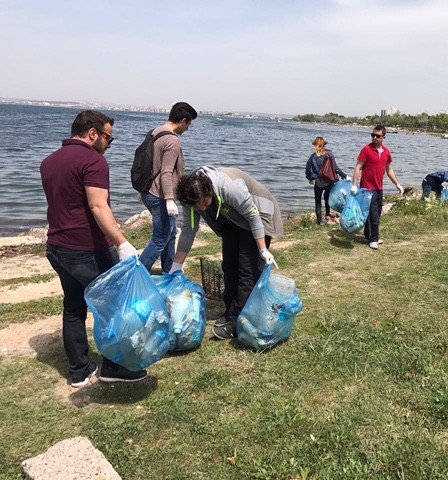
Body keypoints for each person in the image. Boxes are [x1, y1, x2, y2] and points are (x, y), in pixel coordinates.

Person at [40, 110, 145, 387]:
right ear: (93, 133)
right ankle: (115, 367)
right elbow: (98, 206)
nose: (110, 144)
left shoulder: (49, 162)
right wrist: (122, 243)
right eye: (109, 138)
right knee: (115, 306)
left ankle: (79, 371)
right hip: (87, 249)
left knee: (74, 307)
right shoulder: (93, 161)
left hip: (57, 248)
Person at [171, 166, 284, 340]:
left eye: (203, 202)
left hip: (259, 213)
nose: (200, 208)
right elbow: (188, 229)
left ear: (209, 191)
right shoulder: (191, 196)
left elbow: (253, 216)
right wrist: (177, 264)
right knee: (229, 266)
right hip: (232, 219)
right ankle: (231, 310)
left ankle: (238, 321)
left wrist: (262, 249)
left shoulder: (229, 187)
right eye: (196, 205)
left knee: (247, 270)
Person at [139, 102, 197, 273]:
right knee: (160, 238)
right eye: (189, 124)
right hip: (160, 195)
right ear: (183, 120)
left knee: (170, 234)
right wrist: (170, 200)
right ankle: (134, 276)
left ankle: (169, 271)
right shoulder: (172, 140)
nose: (187, 129)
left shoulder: (155, 132)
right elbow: (166, 172)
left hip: (148, 191)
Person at [351, 126, 403, 250]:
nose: (374, 137)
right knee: (373, 214)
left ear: (384, 138)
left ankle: (368, 235)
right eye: (373, 135)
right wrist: (354, 185)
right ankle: (373, 239)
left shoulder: (386, 152)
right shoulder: (366, 150)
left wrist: (397, 184)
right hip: (367, 189)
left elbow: (389, 169)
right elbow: (358, 167)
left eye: (378, 136)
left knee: (376, 213)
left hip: (379, 188)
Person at [305, 136, 349, 225]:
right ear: (324, 145)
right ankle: (327, 218)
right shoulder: (329, 155)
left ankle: (319, 221)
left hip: (318, 183)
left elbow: (307, 169)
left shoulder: (312, 157)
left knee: (318, 202)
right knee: (327, 200)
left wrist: (310, 178)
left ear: (315, 145)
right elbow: (336, 168)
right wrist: (345, 176)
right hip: (329, 181)